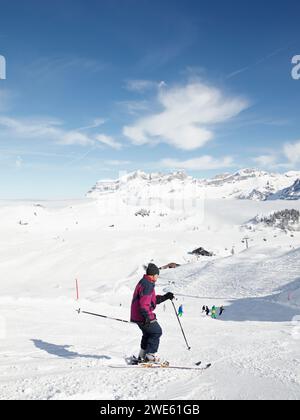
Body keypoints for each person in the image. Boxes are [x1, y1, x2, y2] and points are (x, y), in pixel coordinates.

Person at [130, 263, 174, 363]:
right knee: (156, 331)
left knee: (147, 334)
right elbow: (144, 304)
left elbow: (151, 300)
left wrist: (165, 297)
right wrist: (148, 317)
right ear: (153, 275)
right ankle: (150, 356)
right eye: (157, 275)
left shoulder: (145, 282)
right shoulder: (147, 284)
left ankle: (142, 355)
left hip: (137, 315)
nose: (157, 277)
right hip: (142, 315)